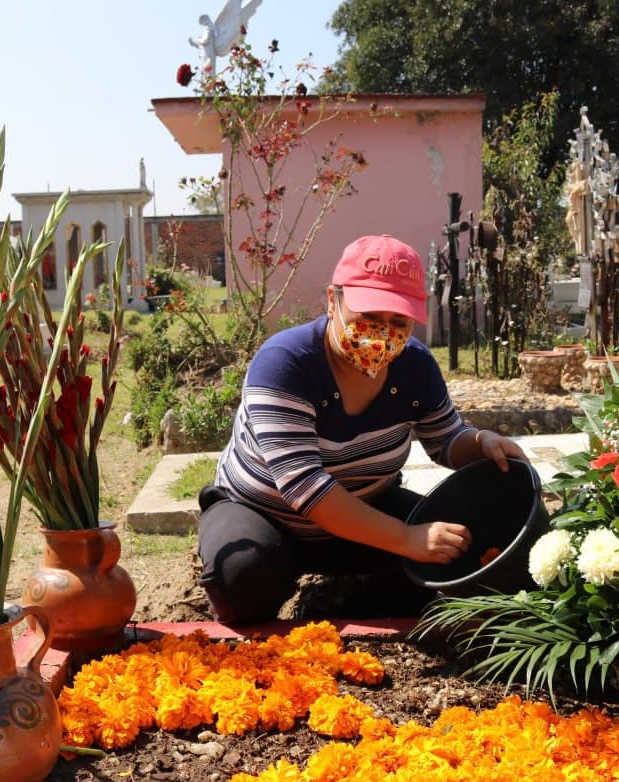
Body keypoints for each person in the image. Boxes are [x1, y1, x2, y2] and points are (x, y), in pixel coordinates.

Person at [196, 234, 526, 624]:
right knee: (242, 579)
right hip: (264, 514)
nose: (381, 334)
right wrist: (407, 540)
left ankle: (339, 601)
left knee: (458, 552)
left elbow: (445, 440)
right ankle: (275, 572)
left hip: (365, 508)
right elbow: (306, 489)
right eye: (369, 316)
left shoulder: (414, 366)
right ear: (333, 300)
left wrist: (480, 442)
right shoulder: (285, 364)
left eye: (398, 321)